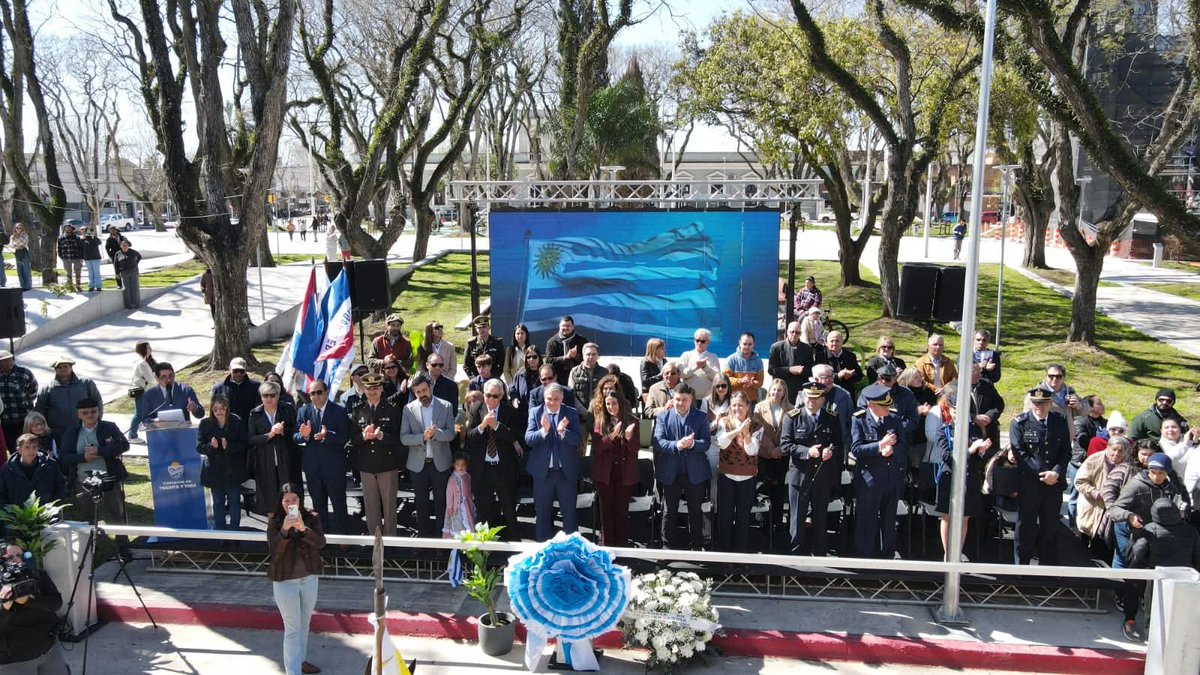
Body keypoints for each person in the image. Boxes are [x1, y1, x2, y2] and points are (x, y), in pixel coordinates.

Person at [59, 399, 131, 558]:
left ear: (98, 412)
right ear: (79, 415)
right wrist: (83, 457)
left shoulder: (109, 427)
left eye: (93, 411)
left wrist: (100, 451)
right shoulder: (72, 432)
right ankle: (89, 547)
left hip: (109, 478)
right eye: (85, 413)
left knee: (118, 513)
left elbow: (124, 445)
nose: (90, 415)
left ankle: (123, 546)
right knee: (87, 516)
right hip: (83, 481)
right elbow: (64, 457)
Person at [1010, 385, 1072, 565]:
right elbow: (1020, 453)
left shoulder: (1059, 421)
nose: (1040, 407)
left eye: (1044, 403)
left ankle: (1047, 567)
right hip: (1030, 484)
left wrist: (1056, 473)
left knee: (1050, 526)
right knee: (1025, 526)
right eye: (1036, 403)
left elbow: (1065, 452)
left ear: (1050, 403)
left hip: (1053, 484)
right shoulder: (1020, 423)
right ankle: (1021, 567)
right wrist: (1042, 473)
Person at [780, 380, 842, 556]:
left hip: (823, 475)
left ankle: (820, 554)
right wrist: (807, 451)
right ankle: (796, 554)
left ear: (823, 399)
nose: (811, 401)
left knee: (821, 517)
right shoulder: (792, 416)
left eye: (816, 398)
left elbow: (838, 443)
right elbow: (785, 445)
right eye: (808, 397)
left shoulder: (832, 417)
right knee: (797, 518)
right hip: (800, 475)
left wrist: (831, 451)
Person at [267, 487, 325, 675]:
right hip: (285, 582)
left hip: (309, 579)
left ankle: (300, 661)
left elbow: (320, 543)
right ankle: (293, 671)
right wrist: (284, 530)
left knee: (304, 623)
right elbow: (275, 552)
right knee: (292, 629)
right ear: (280, 503)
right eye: (287, 501)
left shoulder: (312, 518)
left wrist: (303, 529)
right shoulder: (274, 522)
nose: (291, 504)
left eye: (295, 499)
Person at [932, 391, 993, 560]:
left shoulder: (973, 428)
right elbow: (946, 456)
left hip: (969, 476)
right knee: (947, 516)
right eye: (954, 410)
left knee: (964, 517)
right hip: (949, 477)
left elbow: (977, 458)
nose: (958, 414)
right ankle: (948, 553)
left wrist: (981, 451)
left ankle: (957, 551)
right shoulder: (944, 429)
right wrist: (970, 450)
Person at [715, 392, 778, 552]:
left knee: (743, 519)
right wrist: (738, 430)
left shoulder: (757, 425)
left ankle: (740, 555)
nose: (737, 408)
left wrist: (746, 433)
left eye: (740, 405)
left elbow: (752, 450)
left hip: (747, 477)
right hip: (727, 476)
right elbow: (721, 443)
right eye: (734, 405)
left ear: (748, 407)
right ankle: (724, 555)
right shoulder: (724, 422)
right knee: (725, 518)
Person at [851, 384, 908, 558]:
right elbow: (856, 449)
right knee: (867, 520)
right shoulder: (859, 419)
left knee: (889, 519)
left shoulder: (894, 418)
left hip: (891, 477)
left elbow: (903, 445)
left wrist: (893, 450)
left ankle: (887, 555)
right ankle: (865, 556)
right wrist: (880, 446)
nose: (887, 409)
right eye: (883, 407)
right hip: (870, 478)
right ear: (871, 406)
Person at [652, 384, 710, 550]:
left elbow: (705, 443)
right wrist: (677, 444)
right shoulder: (663, 417)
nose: (681, 403)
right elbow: (658, 442)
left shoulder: (701, 417)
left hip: (695, 473)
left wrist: (692, 444)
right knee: (669, 511)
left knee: (695, 511)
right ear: (673, 399)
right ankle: (667, 548)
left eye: (685, 400)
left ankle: (697, 547)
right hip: (671, 472)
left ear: (691, 399)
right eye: (677, 399)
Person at [400, 373, 456, 537]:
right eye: (417, 392)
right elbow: (404, 438)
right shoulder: (408, 409)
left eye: (424, 390)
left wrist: (436, 433)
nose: (422, 394)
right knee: (421, 503)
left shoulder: (445, 406)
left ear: (431, 387)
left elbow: (451, 434)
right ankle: (423, 538)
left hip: (440, 463)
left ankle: (441, 538)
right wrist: (422, 437)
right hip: (418, 465)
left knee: (441, 503)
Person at [465, 379, 523, 540]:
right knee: (483, 511)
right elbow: (469, 437)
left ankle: (514, 547)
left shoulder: (509, 411)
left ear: (502, 395)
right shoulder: (477, 409)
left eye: (495, 396)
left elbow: (515, 437)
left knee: (509, 509)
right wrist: (482, 426)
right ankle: (485, 550)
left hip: (503, 468)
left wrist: (497, 426)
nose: (490, 400)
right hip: (482, 468)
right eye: (488, 395)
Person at [524, 383, 582, 541]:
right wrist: (543, 431)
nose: (552, 402)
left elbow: (578, 439)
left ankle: (572, 552)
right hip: (543, 474)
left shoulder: (571, 413)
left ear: (562, 398)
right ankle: (543, 552)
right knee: (542, 515)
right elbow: (528, 439)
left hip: (565, 473)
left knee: (569, 515)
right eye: (549, 399)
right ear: (544, 398)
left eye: (556, 399)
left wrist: (564, 432)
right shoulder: (535, 413)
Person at [0, 542, 68, 674]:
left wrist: (28, 600)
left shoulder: (37, 575)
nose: (16, 560)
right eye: (9, 557)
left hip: (48, 648)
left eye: (19, 555)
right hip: (14, 660)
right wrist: (5, 608)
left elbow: (56, 603)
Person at [293, 381, 351, 535]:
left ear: (326, 392)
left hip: (334, 468)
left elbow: (345, 436)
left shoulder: (339, 411)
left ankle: (342, 538)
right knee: (318, 506)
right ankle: (321, 537)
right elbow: (295, 436)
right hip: (313, 468)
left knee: (339, 504)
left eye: (319, 392)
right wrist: (303, 435)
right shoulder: (303, 412)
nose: (316, 396)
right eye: (312, 393)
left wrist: (328, 435)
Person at [348, 374, 401, 536]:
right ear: (363, 389)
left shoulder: (392, 408)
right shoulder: (358, 409)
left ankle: (391, 544)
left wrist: (382, 436)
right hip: (366, 465)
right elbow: (353, 438)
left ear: (381, 388)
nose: (372, 391)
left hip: (387, 464)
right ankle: (375, 541)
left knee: (389, 507)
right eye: (369, 388)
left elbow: (399, 437)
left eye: (376, 388)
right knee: (371, 508)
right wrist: (364, 436)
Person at [591, 391, 639, 547]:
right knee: (607, 514)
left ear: (620, 404)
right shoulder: (600, 421)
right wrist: (612, 435)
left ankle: (622, 549)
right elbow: (597, 447)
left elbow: (634, 449)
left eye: (614, 403)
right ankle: (608, 549)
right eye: (608, 404)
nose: (611, 407)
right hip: (606, 474)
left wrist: (628, 437)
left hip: (624, 473)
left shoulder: (632, 421)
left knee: (621, 513)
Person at [248, 381, 299, 517]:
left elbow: (296, 430)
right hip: (265, 461)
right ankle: (272, 526)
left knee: (289, 493)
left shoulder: (287, 409)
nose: (269, 399)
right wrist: (270, 434)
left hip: (286, 460)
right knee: (269, 495)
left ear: (278, 396)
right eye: (265, 395)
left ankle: (293, 522)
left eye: (272, 395)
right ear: (261, 397)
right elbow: (251, 438)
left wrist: (283, 432)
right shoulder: (255, 414)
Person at [197, 396, 249, 531]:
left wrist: (229, 446)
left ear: (227, 408)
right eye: (215, 409)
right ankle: (220, 533)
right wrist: (211, 446)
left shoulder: (236, 422)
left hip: (233, 469)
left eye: (222, 408)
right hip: (214, 471)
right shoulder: (205, 424)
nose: (219, 412)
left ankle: (235, 532)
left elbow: (244, 444)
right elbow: (199, 447)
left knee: (235, 503)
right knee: (218, 503)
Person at [1075, 435, 1132, 552]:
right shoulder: (1095, 459)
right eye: (1114, 449)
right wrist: (1096, 493)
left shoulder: (1128, 463)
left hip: (1113, 509)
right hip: (1093, 506)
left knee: (1105, 546)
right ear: (1108, 448)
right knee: (1084, 542)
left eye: (1120, 450)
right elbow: (1080, 481)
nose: (1116, 453)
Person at [34, 356, 102, 446]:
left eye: (65, 366)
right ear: (55, 370)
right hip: (58, 431)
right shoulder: (48, 388)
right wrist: (42, 427)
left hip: (83, 428)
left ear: (71, 367)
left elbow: (97, 401)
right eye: (59, 367)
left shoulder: (86, 383)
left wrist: (98, 418)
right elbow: (40, 409)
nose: (63, 369)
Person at [0, 433, 67, 511]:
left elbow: (60, 486)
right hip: (17, 516)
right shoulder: (8, 469)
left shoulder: (50, 465)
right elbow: (1, 494)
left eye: (34, 447)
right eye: (27, 447)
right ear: (19, 450)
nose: (31, 451)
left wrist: (54, 507)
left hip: (46, 512)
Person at [141, 362, 205, 423]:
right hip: (159, 433)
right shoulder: (149, 395)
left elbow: (201, 414)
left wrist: (195, 408)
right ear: (157, 378)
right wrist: (154, 422)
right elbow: (145, 419)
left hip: (182, 431)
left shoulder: (186, 390)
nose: (168, 380)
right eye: (164, 377)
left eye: (171, 376)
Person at [0, 350, 37, 452]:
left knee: (28, 446)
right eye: (4, 361)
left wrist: (25, 404)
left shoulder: (24, 372)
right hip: (5, 421)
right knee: (13, 449)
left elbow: (33, 391)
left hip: (24, 420)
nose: (9, 363)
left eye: (10, 359)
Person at [768, 322, 815, 402]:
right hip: (781, 389)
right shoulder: (776, 348)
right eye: (792, 332)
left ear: (800, 334)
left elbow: (811, 370)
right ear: (787, 332)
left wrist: (801, 370)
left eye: (797, 332)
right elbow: (771, 370)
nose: (794, 334)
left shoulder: (807, 349)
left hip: (799, 389)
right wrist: (789, 370)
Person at [211, 357, 263, 423]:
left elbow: (260, 408)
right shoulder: (219, 388)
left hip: (248, 427)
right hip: (227, 427)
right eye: (235, 371)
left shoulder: (256, 386)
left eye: (241, 371)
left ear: (245, 370)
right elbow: (213, 410)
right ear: (229, 369)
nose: (238, 374)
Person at [545, 315, 588, 386]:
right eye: (563, 326)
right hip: (558, 379)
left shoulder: (582, 340)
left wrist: (576, 356)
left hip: (578, 378)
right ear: (559, 326)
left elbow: (587, 359)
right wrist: (565, 357)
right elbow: (549, 360)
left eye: (568, 326)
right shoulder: (552, 342)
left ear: (573, 327)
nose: (565, 328)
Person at [679, 328, 720, 399]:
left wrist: (705, 367)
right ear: (694, 341)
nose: (699, 343)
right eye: (697, 340)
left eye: (703, 341)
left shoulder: (713, 357)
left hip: (707, 399)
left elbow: (717, 377)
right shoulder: (686, 355)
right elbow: (681, 374)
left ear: (708, 342)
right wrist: (696, 367)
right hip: (688, 397)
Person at [127, 341, 156, 441]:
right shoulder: (141, 363)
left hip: (148, 390)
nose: (150, 349)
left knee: (145, 412)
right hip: (141, 391)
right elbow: (151, 379)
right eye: (148, 347)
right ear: (143, 349)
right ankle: (132, 435)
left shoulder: (148, 360)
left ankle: (141, 425)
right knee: (139, 413)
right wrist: (158, 379)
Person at [724, 332, 764, 403]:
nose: (747, 347)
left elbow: (760, 381)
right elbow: (725, 380)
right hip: (734, 401)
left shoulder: (758, 361)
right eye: (744, 344)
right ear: (739, 343)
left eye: (749, 344)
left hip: (751, 401)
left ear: (753, 344)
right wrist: (740, 381)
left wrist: (753, 383)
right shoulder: (731, 359)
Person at [508, 346, 543, 425]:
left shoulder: (544, 372)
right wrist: (515, 399)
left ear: (539, 357)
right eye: (528, 357)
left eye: (534, 357)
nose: (531, 359)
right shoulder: (520, 373)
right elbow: (513, 388)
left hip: (540, 412)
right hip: (523, 414)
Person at [443, 453, 475, 537]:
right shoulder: (452, 479)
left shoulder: (467, 476)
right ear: (454, 465)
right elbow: (449, 494)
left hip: (466, 505)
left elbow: (470, 490)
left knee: (467, 522)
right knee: (456, 524)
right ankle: (455, 546)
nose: (461, 467)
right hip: (456, 507)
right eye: (458, 465)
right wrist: (450, 507)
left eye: (463, 465)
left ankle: (468, 539)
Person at [464, 315, 504, 380]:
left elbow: (502, 363)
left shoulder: (497, 343)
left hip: (493, 379)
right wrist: (474, 379)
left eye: (484, 327)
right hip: (477, 379)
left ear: (489, 327)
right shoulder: (471, 343)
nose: (482, 330)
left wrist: (494, 377)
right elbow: (466, 365)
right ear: (476, 329)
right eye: (479, 328)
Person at [113, 239, 143, 309]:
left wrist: (136, 263)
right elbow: (116, 264)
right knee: (126, 288)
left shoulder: (132, 252)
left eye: (126, 245)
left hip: (134, 271)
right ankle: (128, 304)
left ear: (128, 246)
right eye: (123, 245)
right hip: (124, 272)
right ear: (120, 246)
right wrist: (117, 273)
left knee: (134, 287)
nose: (124, 247)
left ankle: (136, 303)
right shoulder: (118, 253)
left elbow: (139, 257)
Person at [56, 223, 83, 291]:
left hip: (77, 258)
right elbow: (59, 248)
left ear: (72, 229)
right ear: (64, 229)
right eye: (66, 228)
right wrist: (61, 256)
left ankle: (78, 286)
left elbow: (81, 247)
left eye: (69, 228)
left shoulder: (77, 237)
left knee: (78, 272)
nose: (68, 230)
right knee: (68, 273)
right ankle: (70, 287)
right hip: (66, 258)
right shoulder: (61, 238)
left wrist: (81, 257)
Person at [10, 223, 32, 291]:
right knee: (19, 271)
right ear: (15, 228)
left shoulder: (25, 235)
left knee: (26, 271)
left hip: (24, 253)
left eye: (20, 228)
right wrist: (16, 244)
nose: (18, 229)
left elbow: (23, 243)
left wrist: (15, 243)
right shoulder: (12, 236)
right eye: (17, 228)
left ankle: (27, 286)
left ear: (22, 228)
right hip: (17, 253)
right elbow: (11, 245)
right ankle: (22, 286)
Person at [80, 227, 104, 291]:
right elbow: (81, 249)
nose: (84, 232)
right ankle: (91, 286)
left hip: (95, 258)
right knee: (90, 273)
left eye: (85, 231)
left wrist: (93, 236)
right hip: (87, 259)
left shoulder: (92, 237)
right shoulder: (82, 239)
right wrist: (81, 258)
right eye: (82, 231)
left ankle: (98, 286)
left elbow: (99, 243)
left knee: (96, 273)